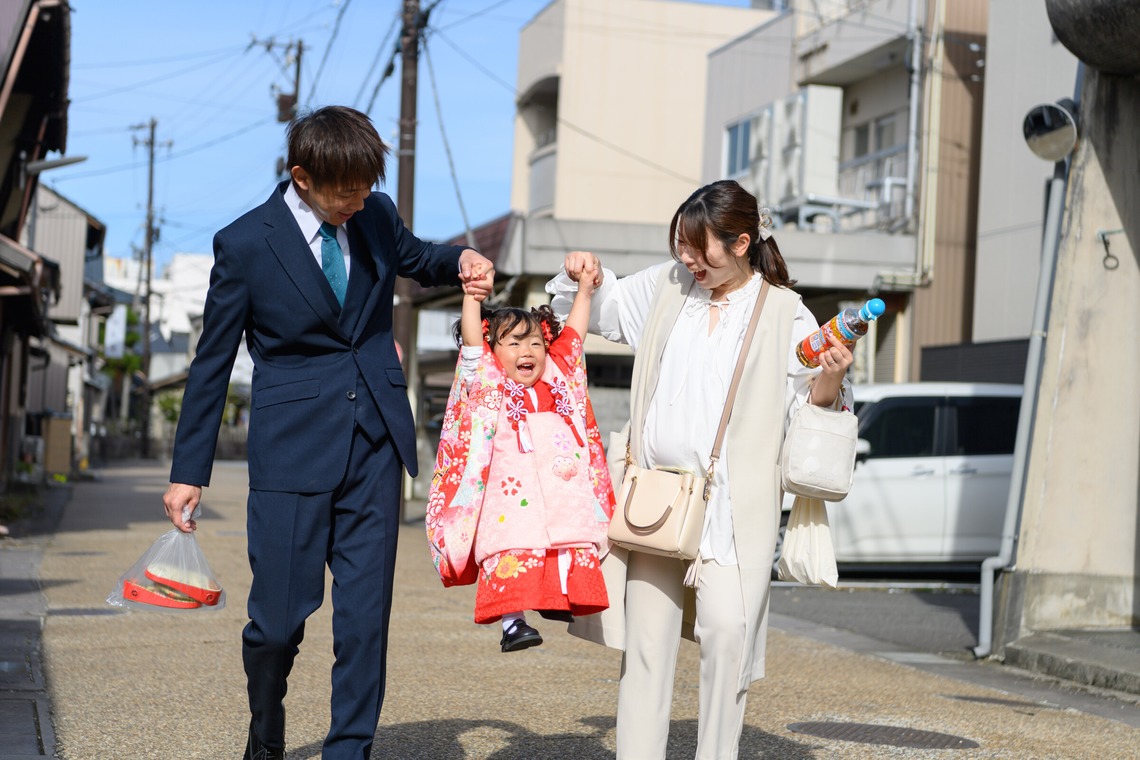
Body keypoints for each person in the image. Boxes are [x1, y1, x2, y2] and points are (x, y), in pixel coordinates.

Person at [161, 105, 494, 760]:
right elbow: (213, 361)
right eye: (347, 189)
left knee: (365, 623)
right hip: (291, 451)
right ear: (302, 177)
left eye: (368, 185)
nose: (360, 199)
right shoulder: (246, 243)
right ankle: (266, 735)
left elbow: (418, 257)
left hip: (375, 441)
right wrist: (187, 471)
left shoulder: (374, 214)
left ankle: (350, 750)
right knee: (279, 625)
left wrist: (462, 260)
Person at [546, 179, 854, 760]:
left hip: (736, 511)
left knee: (727, 641)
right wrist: (582, 272)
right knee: (645, 648)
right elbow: (600, 306)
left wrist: (830, 380)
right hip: (657, 499)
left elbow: (806, 415)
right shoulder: (668, 287)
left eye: (698, 247)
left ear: (741, 243)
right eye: (680, 245)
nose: (687, 258)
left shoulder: (786, 313)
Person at [425, 264, 615, 653]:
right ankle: (513, 623)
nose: (526, 352)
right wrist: (472, 297)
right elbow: (473, 343)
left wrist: (584, 292)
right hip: (508, 497)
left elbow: (574, 338)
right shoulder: (488, 381)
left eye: (534, 343)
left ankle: (560, 597)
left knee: (568, 539)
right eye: (512, 343)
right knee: (510, 548)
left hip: (561, 491)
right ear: (494, 352)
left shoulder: (559, 376)